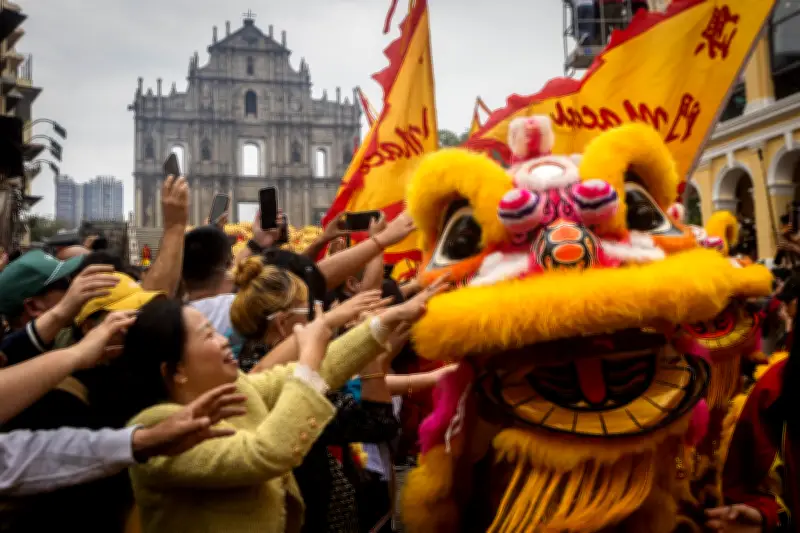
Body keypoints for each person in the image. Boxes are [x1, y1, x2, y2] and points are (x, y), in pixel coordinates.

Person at [122, 272, 445, 533]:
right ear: (175, 370)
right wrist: (307, 365)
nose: (223, 341)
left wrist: (385, 322)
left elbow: (323, 366)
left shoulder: (234, 387)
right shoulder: (157, 429)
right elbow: (265, 453)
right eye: (208, 336)